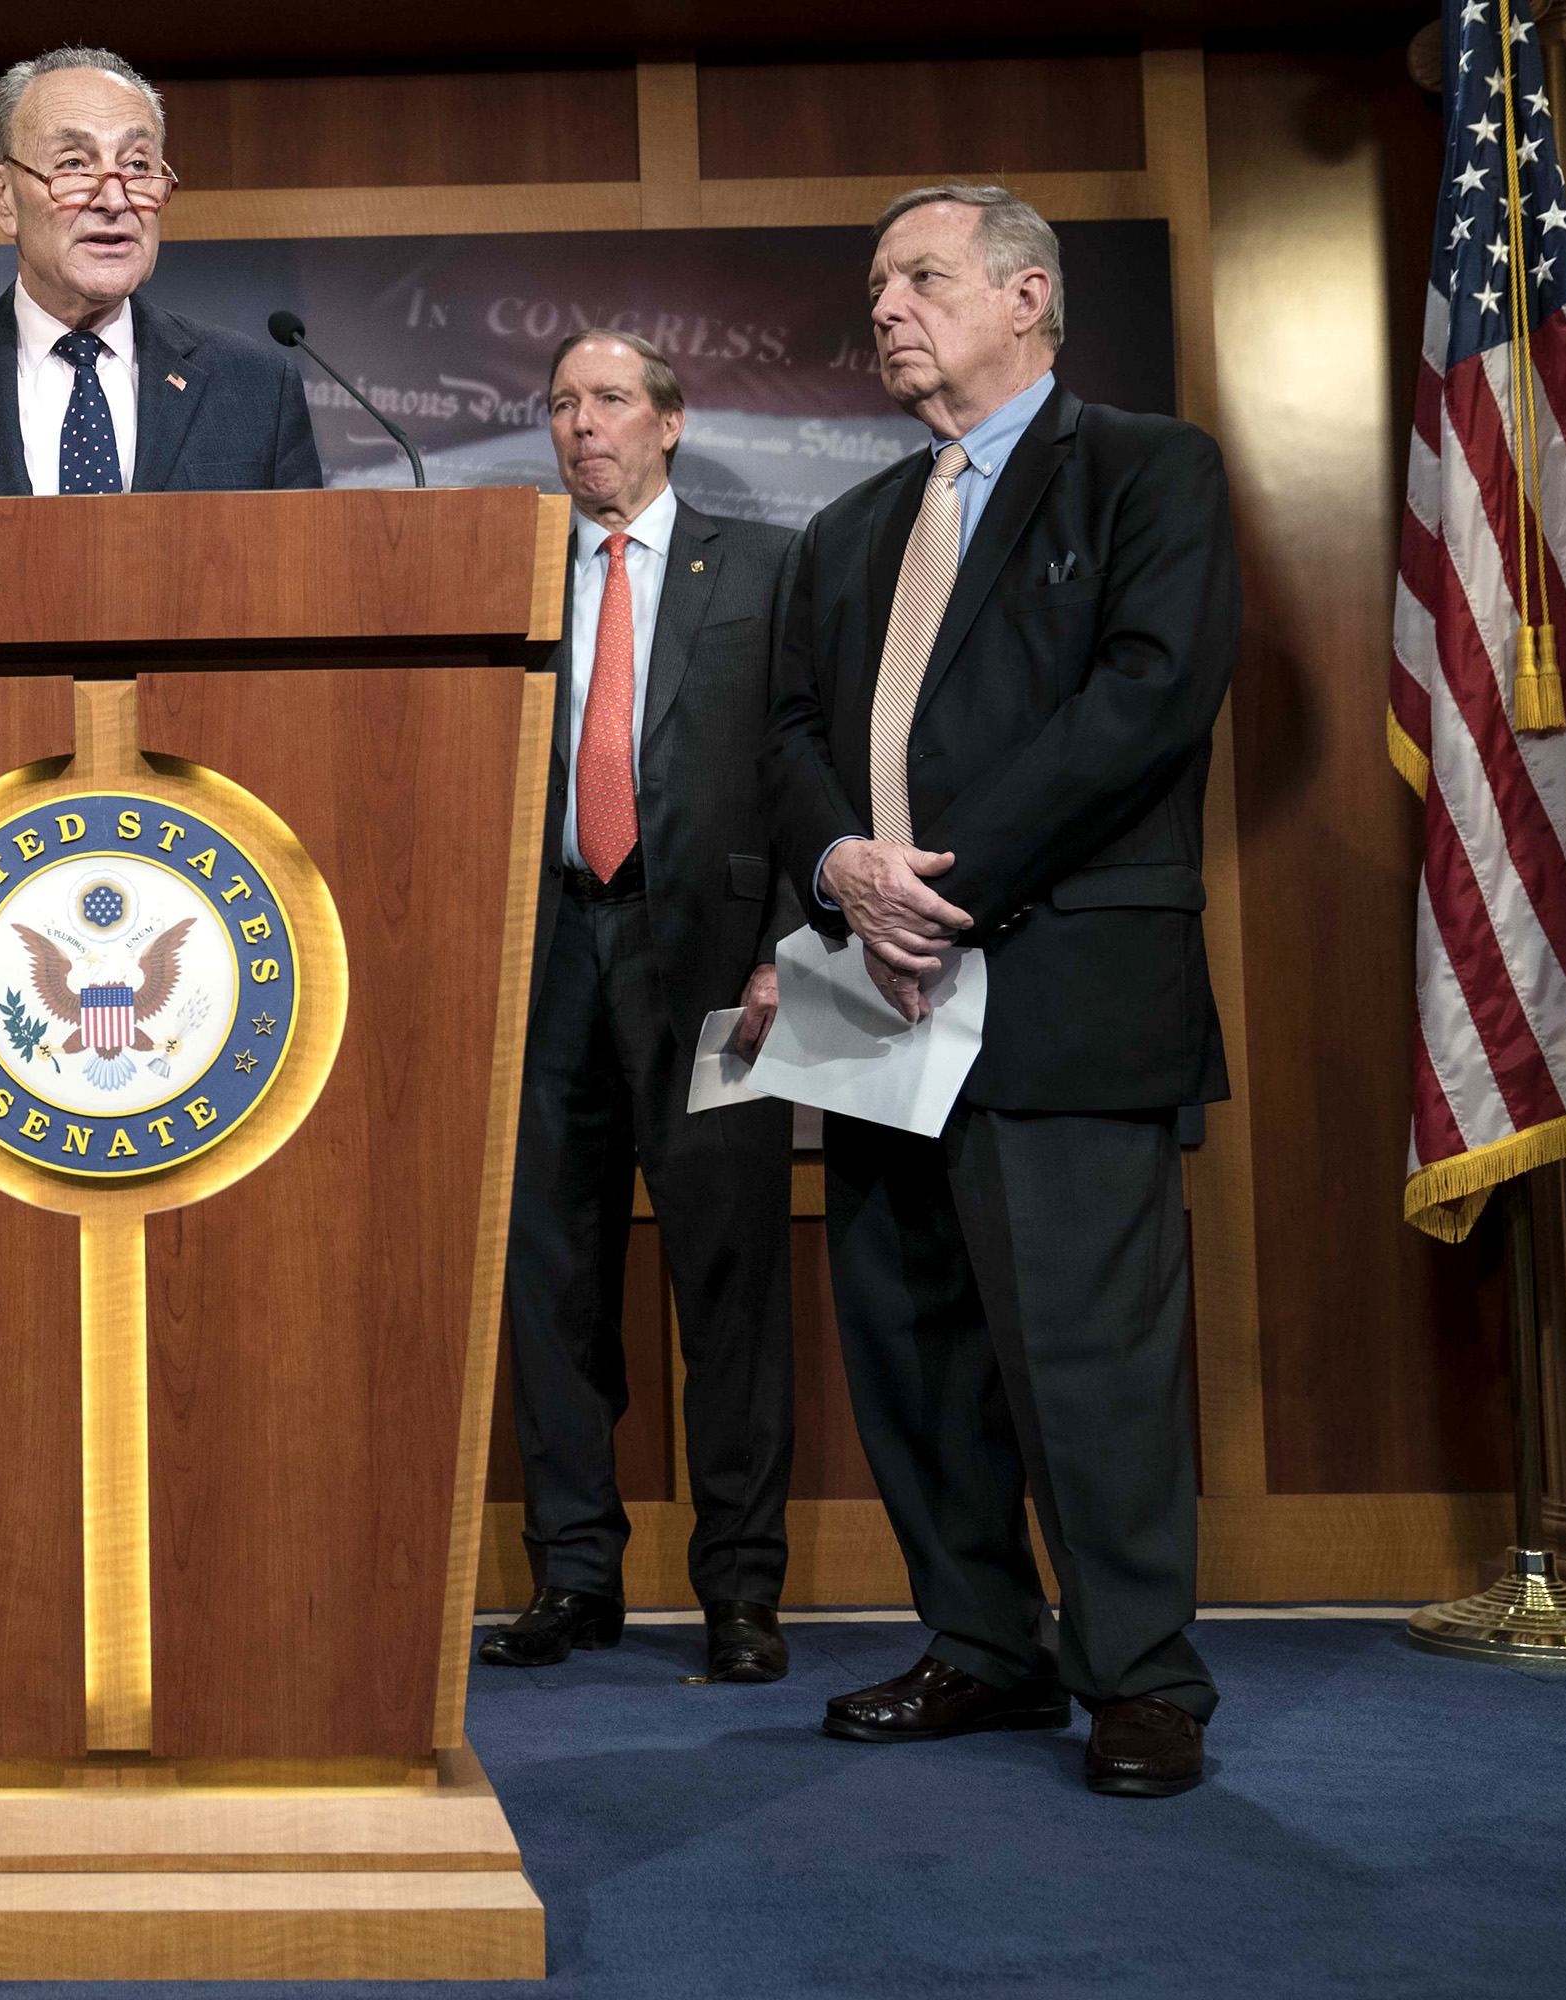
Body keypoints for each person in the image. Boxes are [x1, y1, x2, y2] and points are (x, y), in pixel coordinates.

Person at [760, 185, 1239, 1796]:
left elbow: (1149, 701)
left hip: (1056, 980)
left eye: (923, 277)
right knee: (910, 1350)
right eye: (877, 283)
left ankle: (1143, 1679)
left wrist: (933, 888)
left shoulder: (1147, 469)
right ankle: (982, 1645)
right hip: (868, 994)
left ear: (1028, 296)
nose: (887, 306)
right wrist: (842, 867)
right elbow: (782, 743)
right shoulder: (849, 530)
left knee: (1090, 1358)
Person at [479, 331, 804, 1684]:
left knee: (730, 1278)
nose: (581, 426)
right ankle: (575, 1577)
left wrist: (795, 945)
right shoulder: (510, 572)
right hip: (548, 952)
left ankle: (738, 1591)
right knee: (552, 1275)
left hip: (719, 963)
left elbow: (813, 761)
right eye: (560, 405)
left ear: (672, 422)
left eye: (609, 401)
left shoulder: (770, 567)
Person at [0, 45, 322, 498]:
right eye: (75, 164)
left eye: (139, 166)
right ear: (4, 197)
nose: (114, 198)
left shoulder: (256, 389)